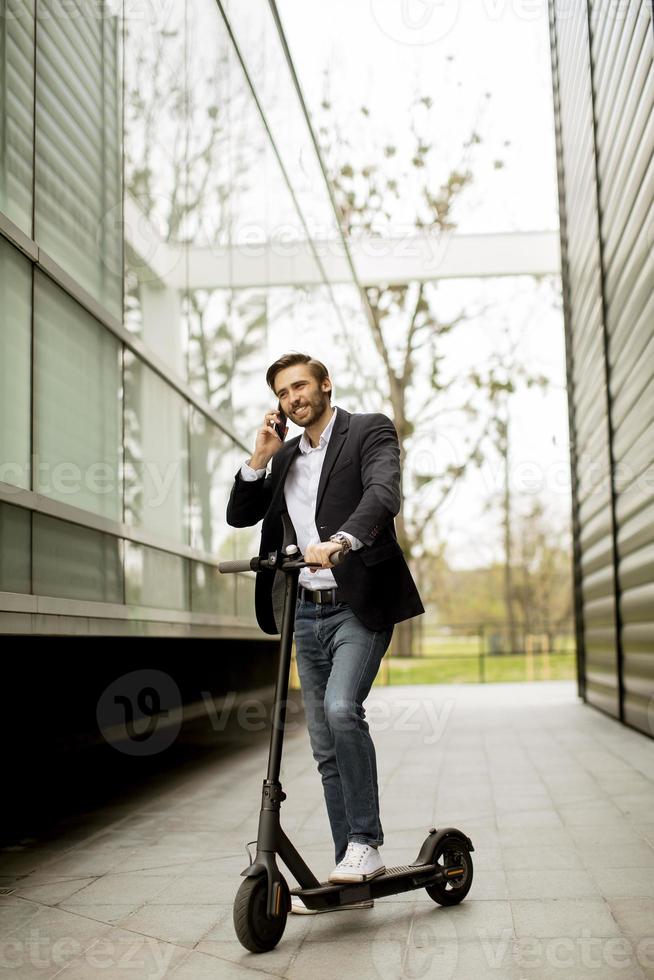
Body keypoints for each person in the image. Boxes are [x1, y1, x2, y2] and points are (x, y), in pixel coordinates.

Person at [226, 352, 424, 913]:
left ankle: (367, 841)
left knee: (342, 710)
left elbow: (383, 496)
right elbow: (240, 516)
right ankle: (349, 865)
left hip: (357, 604)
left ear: (325, 384)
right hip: (305, 611)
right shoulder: (284, 455)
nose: (294, 398)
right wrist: (259, 459)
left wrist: (341, 540)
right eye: (284, 392)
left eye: (301, 386)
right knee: (322, 746)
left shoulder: (368, 431)